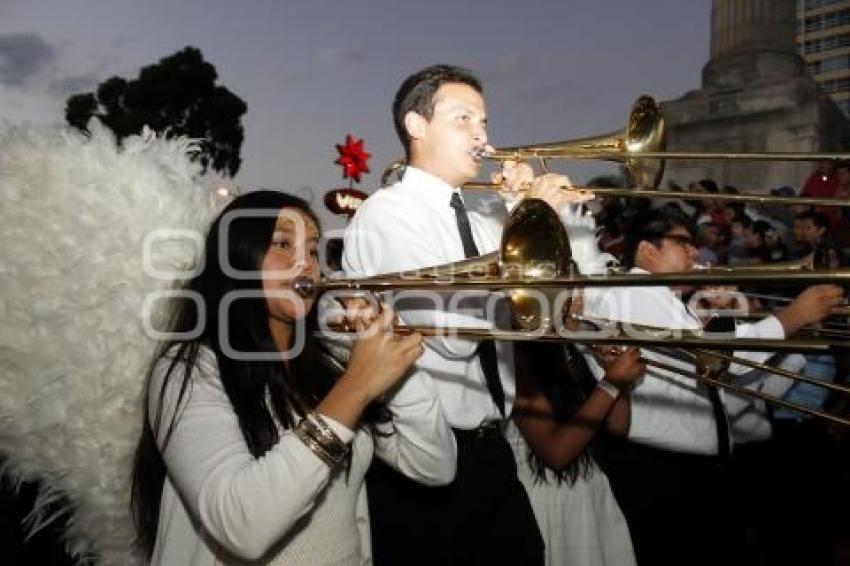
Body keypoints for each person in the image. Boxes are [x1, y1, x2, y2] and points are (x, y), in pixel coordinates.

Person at [130, 190, 457, 565]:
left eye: (314, 250)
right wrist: (358, 385)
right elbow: (243, 527)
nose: (306, 263)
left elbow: (436, 467)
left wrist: (397, 366)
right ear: (235, 258)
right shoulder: (190, 371)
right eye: (283, 243)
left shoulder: (332, 362)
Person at [342, 64, 580, 565]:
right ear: (416, 125)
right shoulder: (388, 213)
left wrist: (534, 217)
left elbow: (554, 307)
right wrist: (528, 215)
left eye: (485, 122)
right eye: (463, 118)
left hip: (494, 447)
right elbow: (452, 334)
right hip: (423, 457)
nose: (482, 134)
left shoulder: (480, 220)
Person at [579, 206, 844, 566]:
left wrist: (793, 329)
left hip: (694, 471)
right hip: (665, 476)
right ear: (646, 249)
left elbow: (725, 376)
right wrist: (793, 316)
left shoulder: (665, 301)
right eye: (684, 243)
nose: (695, 254)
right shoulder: (632, 293)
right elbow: (723, 358)